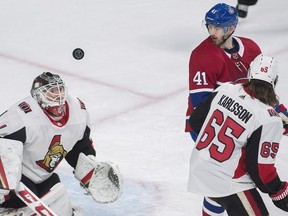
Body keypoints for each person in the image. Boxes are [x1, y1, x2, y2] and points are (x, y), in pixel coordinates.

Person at [0, 72, 122, 215]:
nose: (58, 96)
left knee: (62, 205)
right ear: (38, 96)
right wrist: (6, 180)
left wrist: (90, 170)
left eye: (60, 90)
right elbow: (3, 145)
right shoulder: (22, 115)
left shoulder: (78, 111)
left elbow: (80, 147)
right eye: (52, 91)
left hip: (42, 177)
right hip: (17, 180)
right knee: (18, 203)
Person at [185, 3, 262, 215]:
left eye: (218, 28)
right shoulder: (203, 55)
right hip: (206, 125)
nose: (212, 32)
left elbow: (262, 92)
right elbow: (201, 107)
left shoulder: (252, 49)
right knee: (229, 178)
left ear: (231, 28)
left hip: (237, 121)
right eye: (210, 26)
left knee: (217, 183)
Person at [188, 54, 288, 215]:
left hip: (202, 167)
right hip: (227, 179)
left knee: (215, 190)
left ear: (249, 74)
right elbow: (261, 171)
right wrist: (279, 192)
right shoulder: (269, 119)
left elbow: (195, 122)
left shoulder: (226, 89)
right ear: (274, 82)